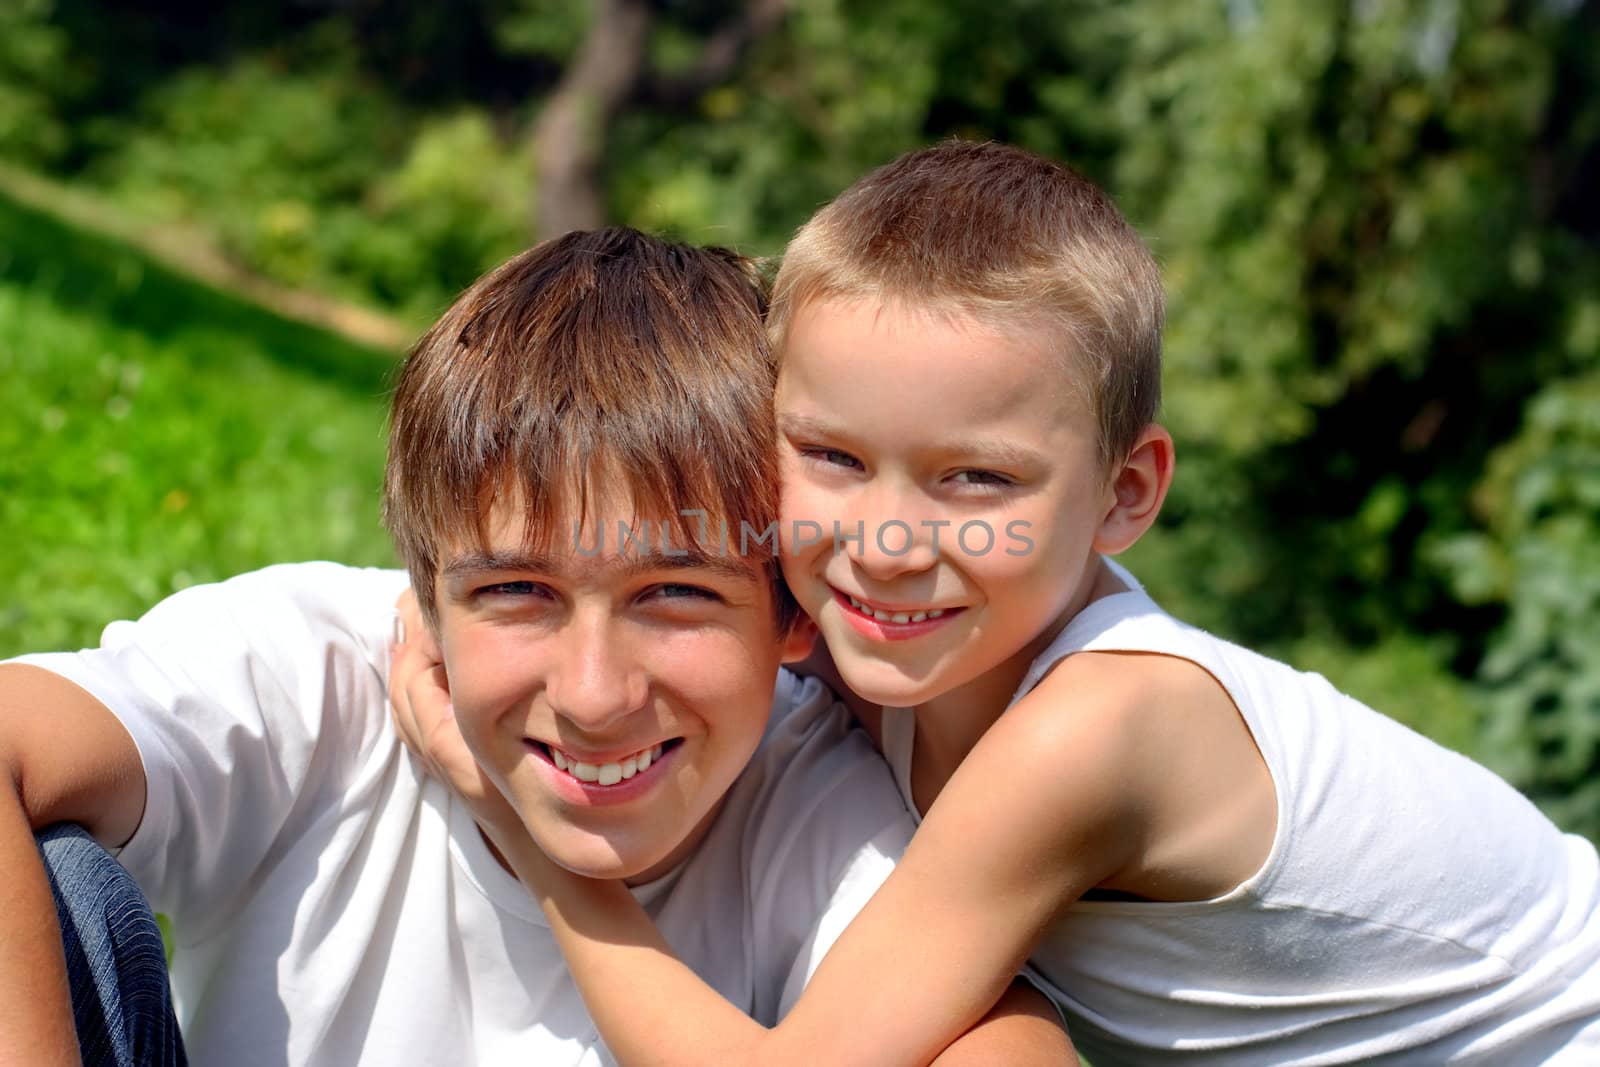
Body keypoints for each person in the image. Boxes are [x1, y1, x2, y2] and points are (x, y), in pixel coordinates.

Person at [394, 141, 1600, 1065]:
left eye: (977, 478)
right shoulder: (901, 652)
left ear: (1126, 492)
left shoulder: (1098, 727)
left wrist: (542, 851)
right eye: (830, 455)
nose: (889, 545)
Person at [0, 227, 1074, 1066]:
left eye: (675, 594)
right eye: (516, 590)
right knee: (61, 890)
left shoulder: (813, 796)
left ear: (792, 611)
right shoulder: (307, 671)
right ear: (423, 597)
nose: (595, 694)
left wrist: (523, 829)